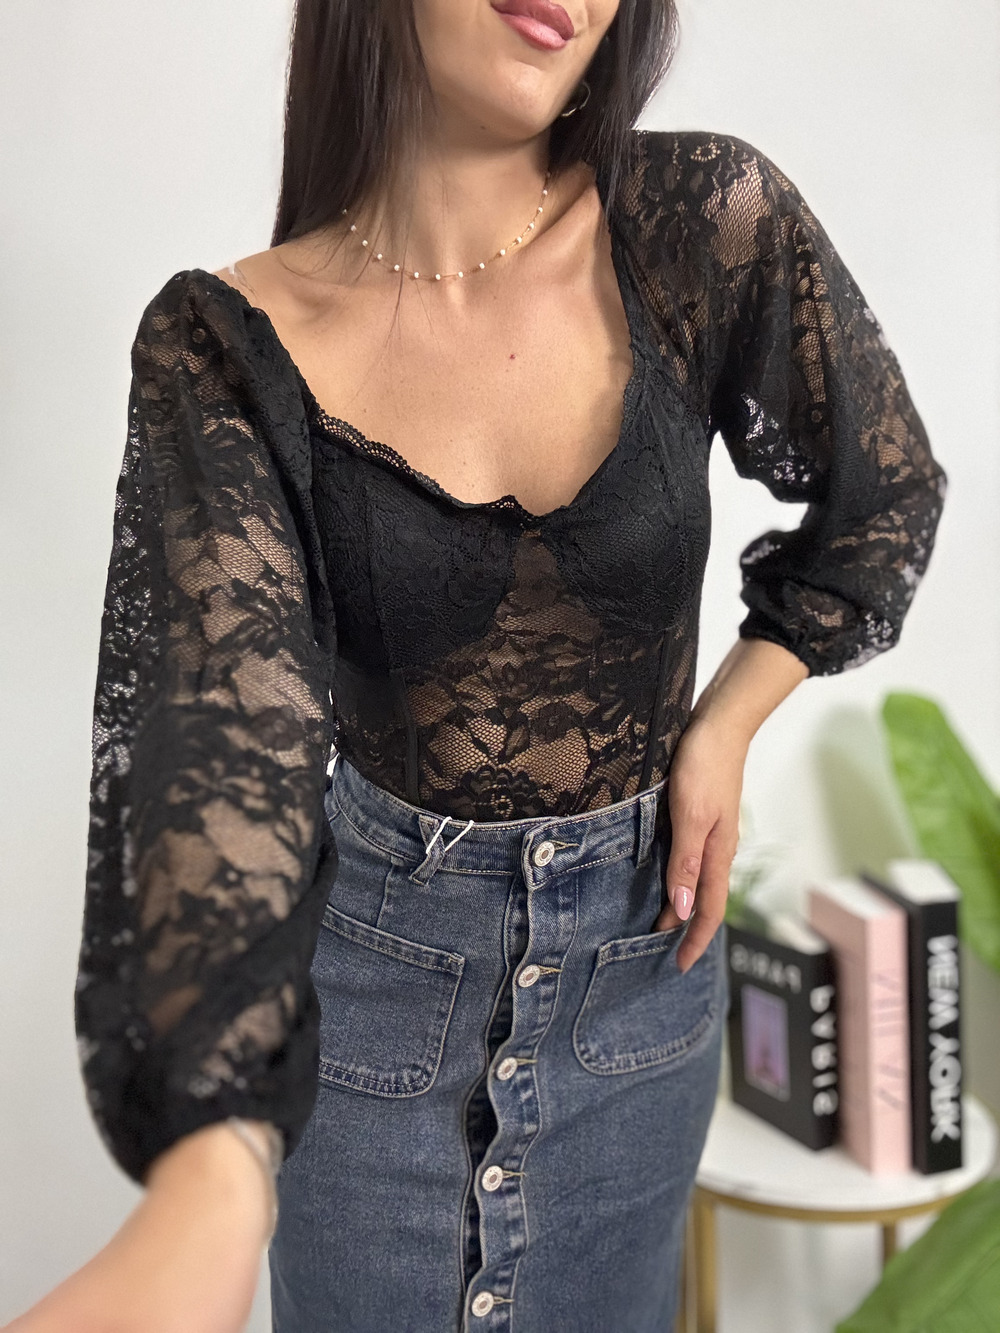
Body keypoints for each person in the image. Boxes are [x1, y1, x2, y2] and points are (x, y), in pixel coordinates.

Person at [12, 1, 948, 1330]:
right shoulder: (226, 345)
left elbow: (881, 501)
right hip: (365, 1033)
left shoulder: (700, 223)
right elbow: (224, 756)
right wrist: (211, 1178)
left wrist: (726, 723)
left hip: (643, 1000)